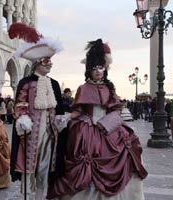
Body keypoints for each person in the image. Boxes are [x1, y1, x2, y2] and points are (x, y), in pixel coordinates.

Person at [47, 39, 148, 200]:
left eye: (100, 67)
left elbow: (115, 109)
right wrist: (66, 118)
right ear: (89, 70)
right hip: (86, 129)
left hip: (109, 128)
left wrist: (108, 123)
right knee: (81, 153)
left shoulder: (109, 87)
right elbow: (78, 111)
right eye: (94, 68)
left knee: (127, 152)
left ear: (105, 68)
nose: (98, 71)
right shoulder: (83, 88)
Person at [8, 23, 72, 200]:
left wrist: (61, 120)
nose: (50, 64)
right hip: (31, 133)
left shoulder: (55, 84)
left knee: (45, 168)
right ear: (37, 63)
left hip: (50, 133)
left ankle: (41, 197)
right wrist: (23, 119)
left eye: (50, 61)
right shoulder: (26, 83)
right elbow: (20, 105)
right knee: (30, 167)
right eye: (46, 61)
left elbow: (59, 108)